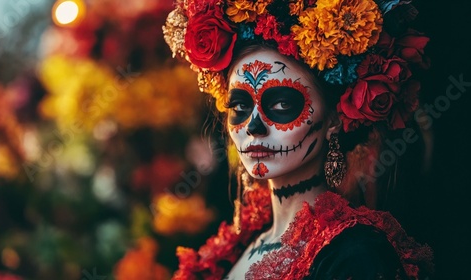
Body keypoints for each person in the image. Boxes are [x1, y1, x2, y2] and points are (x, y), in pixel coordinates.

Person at [163, 0, 434, 279]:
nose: (253, 126)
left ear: (334, 120)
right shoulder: (239, 243)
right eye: (239, 107)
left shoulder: (356, 255)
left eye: (281, 105)